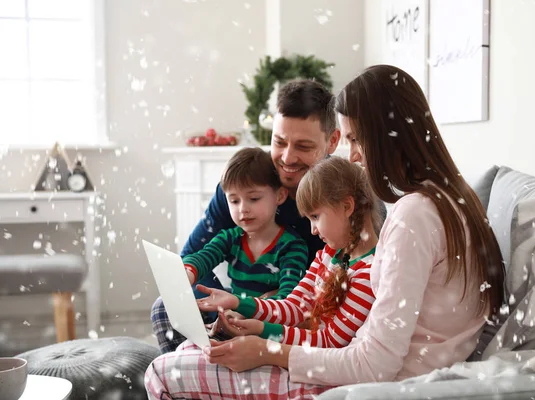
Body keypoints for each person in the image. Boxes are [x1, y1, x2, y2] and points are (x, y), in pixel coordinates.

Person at [145, 65, 505, 399]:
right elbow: (299, 304)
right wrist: (244, 309)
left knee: (162, 372)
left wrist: (267, 346)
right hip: (320, 351)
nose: (355, 157)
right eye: (280, 142)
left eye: (356, 140)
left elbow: (364, 354)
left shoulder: (400, 213)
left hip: (347, 372)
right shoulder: (451, 202)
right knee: (185, 338)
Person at [151, 79, 341, 353]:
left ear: (332, 141)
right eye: (280, 142)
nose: (287, 157)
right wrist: (227, 305)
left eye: (303, 146)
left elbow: (354, 282)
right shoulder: (244, 185)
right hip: (238, 306)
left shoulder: (347, 195)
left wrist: (266, 306)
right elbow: (191, 257)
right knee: (165, 307)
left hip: (306, 317)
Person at [195, 157, 380, 348]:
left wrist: (260, 330)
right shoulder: (327, 255)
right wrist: (236, 302)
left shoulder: (368, 273)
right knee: (190, 349)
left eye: (315, 217)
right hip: (298, 353)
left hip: (312, 365)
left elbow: (329, 341)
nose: (312, 230)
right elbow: (292, 308)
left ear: (347, 206)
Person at [182, 147, 308, 309]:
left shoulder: (292, 246)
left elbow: (289, 297)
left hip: (268, 327)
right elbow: (202, 257)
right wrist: (189, 272)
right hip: (231, 317)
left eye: (253, 198)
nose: (243, 209)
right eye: (234, 201)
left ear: (279, 196)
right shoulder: (230, 238)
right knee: (162, 309)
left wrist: (242, 309)